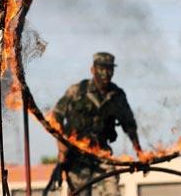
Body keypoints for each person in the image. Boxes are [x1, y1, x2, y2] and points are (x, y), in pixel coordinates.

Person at [50, 52, 142, 196]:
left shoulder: (117, 95)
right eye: (102, 68)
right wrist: (62, 152)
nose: (106, 73)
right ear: (93, 70)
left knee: (112, 192)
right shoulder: (77, 91)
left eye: (109, 69)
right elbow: (56, 118)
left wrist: (140, 152)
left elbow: (129, 125)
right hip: (77, 157)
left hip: (102, 154)